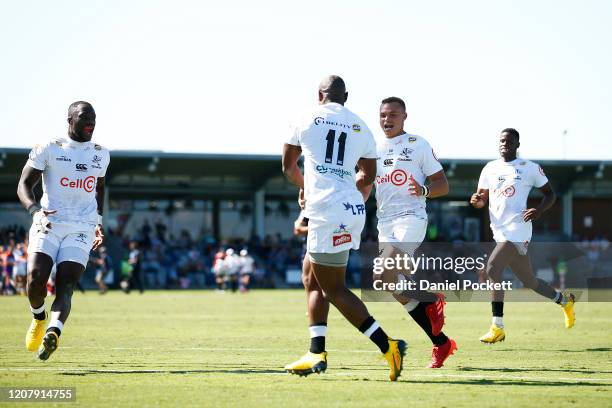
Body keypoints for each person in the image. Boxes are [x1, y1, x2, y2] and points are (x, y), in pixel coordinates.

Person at [282, 75, 406, 381]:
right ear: (346, 96)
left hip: (324, 211)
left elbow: (288, 166)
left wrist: (306, 189)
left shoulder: (305, 118)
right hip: (350, 208)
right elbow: (368, 176)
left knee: (332, 288)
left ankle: (388, 345)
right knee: (311, 276)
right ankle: (316, 352)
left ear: (319, 95)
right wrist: (347, 194)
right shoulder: (361, 126)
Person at [361, 96, 457, 368]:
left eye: (392, 114)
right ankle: (442, 343)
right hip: (385, 223)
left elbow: (443, 184)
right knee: (389, 285)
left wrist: (424, 190)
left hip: (411, 218)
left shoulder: (418, 145)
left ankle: (431, 299)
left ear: (404, 117)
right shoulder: (372, 148)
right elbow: (365, 183)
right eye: (382, 115)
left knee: (383, 274)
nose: (386, 120)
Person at [17, 101, 109, 360]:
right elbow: (24, 184)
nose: (91, 122)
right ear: (69, 119)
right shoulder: (49, 147)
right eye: (84, 117)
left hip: (82, 227)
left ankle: (53, 332)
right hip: (49, 223)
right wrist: (35, 210)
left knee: (66, 283)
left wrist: (98, 221)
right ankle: (38, 317)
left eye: (93, 118)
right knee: (35, 280)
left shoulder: (101, 154)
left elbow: (99, 188)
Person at [470, 128, 575, 343]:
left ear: (518, 145)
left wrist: (539, 210)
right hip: (499, 231)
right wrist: (476, 201)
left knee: (492, 268)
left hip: (519, 229)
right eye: (501, 140)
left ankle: (497, 326)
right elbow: (481, 200)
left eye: (509, 141)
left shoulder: (529, 168)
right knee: (530, 282)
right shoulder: (489, 169)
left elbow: (550, 195)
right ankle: (564, 301)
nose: (504, 144)